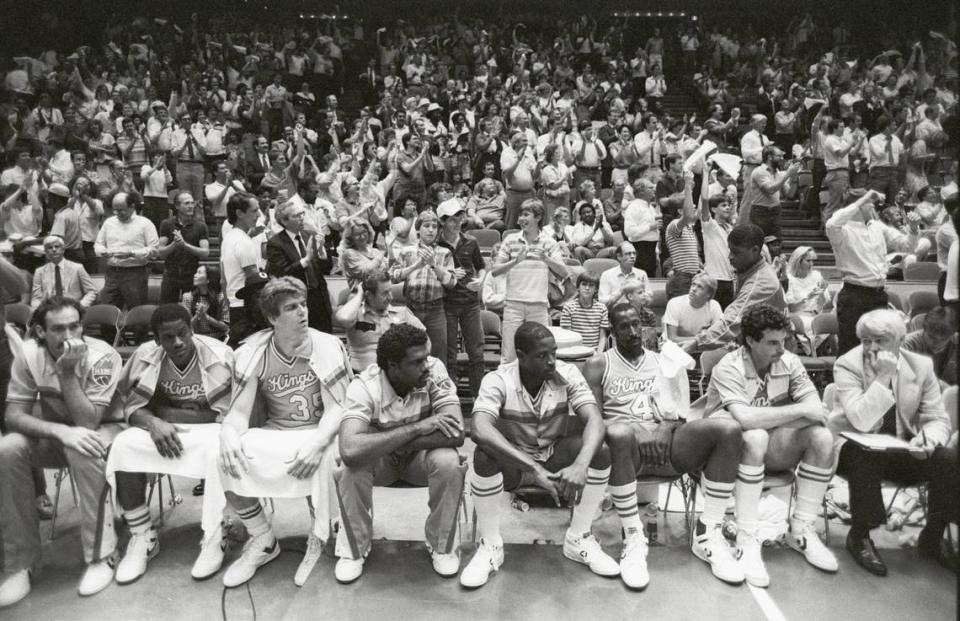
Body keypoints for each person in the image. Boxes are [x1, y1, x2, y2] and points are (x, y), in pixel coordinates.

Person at [582, 303, 745, 588]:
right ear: (612, 330)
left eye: (636, 324)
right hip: (625, 450)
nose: (633, 332)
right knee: (620, 433)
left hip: (666, 441)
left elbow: (681, 411)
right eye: (624, 326)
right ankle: (634, 536)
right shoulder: (598, 364)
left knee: (728, 429)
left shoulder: (663, 361)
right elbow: (592, 420)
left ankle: (708, 532)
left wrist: (665, 428)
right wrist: (636, 430)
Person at [217, 277, 353, 588]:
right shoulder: (252, 352)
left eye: (303, 304)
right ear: (272, 318)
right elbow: (238, 413)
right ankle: (262, 538)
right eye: (291, 308)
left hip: (320, 431)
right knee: (224, 455)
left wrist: (317, 442)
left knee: (326, 457)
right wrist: (227, 434)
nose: (303, 312)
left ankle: (319, 537)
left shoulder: (326, 344)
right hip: (276, 431)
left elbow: (337, 409)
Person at [461, 322, 618, 588]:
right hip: (516, 463)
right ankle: (491, 546)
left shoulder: (567, 373)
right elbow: (479, 428)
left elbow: (595, 420)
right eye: (542, 355)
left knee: (599, 452)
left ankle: (578, 537)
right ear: (520, 356)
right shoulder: (498, 380)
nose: (551, 361)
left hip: (553, 457)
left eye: (553, 353)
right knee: (484, 454)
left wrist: (580, 465)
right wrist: (533, 469)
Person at [0, 297, 123, 605]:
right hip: (60, 434)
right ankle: (22, 563)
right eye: (58, 329)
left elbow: (87, 421)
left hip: (106, 432)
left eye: (74, 326)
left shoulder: (103, 355)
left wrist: (66, 373)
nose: (69, 336)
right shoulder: (28, 354)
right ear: (41, 332)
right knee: (8, 448)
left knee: (85, 448)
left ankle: (102, 555)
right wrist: (60, 431)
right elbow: (13, 416)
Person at [704, 304, 838, 587]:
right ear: (750, 340)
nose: (781, 349)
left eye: (784, 340)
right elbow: (744, 418)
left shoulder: (790, 361)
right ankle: (746, 536)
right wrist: (795, 413)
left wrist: (790, 415)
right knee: (755, 435)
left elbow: (817, 410)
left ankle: (801, 529)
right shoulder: (728, 366)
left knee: (822, 436)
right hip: (722, 456)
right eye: (772, 342)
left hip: (770, 443)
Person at [106, 305, 234, 584]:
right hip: (164, 426)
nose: (177, 342)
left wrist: (164, 415)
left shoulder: (219, 355)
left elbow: (233, 413)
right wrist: (153, 423)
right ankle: (143, 535)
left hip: (214, 427)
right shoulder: (144, 355)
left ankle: (216, 531)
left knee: (218, 450)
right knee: (124, 444)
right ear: (156, 340)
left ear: (192, 330)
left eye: (183, 333)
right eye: (168, 337)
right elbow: (130, 407)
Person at [334, 323, 466, 583]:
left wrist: (387, 440)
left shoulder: (434, 371)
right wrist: (417, 428)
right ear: (393, 366)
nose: (426, 366)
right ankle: (353, 550)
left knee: (449, 460)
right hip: (383, 466)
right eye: (417, 362)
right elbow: (349, 449)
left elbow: (456, 432)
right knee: (349, 468)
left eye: (426, 357)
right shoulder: (365, 386)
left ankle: (442, 546)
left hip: (418, 462)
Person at [831, 308, 956, 575]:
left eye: (880, 340)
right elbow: (861, 421)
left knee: (949, 459)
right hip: (852, 448)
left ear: (900, 340)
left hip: (900, 447)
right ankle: (860, 535)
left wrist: (929, 440)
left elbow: (938, 418)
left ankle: (933, 536)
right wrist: (883, 377)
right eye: (866, 340)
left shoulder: (920, 366)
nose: (871, 347)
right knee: (864, 452)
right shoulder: (847, 364)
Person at [826, 189, 921, 354]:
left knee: (879, 347)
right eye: (870, 204)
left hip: (878, 294)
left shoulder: (877, 226)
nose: (874, 208)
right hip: (854, 294)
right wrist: (864, 198)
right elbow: (832, 223)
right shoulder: (841, 230)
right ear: (860, 206)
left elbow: (907, 245)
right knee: (850, 346)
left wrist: (913, 229)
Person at [683, 225, 786, 354]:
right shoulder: (748, 270)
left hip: (772, 353)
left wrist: (695, 343)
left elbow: (733, 320)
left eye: (736, 252)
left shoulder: (760, 283)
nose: (730, 257)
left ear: (755, 250)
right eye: (730, 251)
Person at [492, 199, 568, 363]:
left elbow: (564, 272)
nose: (520, 219)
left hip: (539, 306)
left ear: (538, 217)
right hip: (513, 305)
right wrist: (515, 261)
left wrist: (546, 258)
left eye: (526, 214)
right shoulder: (510, 240)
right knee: (509, 357)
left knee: (540, 354)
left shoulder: (549, 242)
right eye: (520, 215)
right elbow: (495, 271)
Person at [389, 210, 454, 364]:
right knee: (409, 353)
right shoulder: (407, 252)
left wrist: (434, 265)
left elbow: (451, 283)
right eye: (426, 226)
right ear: (418, 229)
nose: (431, 229)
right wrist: (415, 266)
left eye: (434, 226)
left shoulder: (445, 253)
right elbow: (392, 276)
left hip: (436, 310)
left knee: (438, 355)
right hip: (412, 309)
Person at [437, 199, 486, 396]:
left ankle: (478, 398)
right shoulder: (436, 244)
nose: (457, 223)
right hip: (446, 303)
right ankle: (450, 398)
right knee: (450, 356)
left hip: (470, 303)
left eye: (459, 218)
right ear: (443, 221)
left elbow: (481, 266)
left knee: (477, 353)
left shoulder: (471, 242)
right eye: (452, 219)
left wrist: (481, 280)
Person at [335, 268, 426, 373]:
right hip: (362, 376)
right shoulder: (356, 314)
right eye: (385, 293)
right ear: (368, 295)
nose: (391, 297)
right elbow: (343, 318)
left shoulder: (402, 313)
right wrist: (360, 294)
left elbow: (425, 339)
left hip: (395, 377)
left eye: (390, 291)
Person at [265, 200, 333, 333]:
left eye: (302, 214)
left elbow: (326, 269)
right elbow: (283, 274)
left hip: (319, 298)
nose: (302, 217)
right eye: (297, 216)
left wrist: (323, 255)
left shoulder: (309, 235)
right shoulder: (275, 243)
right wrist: (306, 260)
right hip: (296, 299)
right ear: (285, 221)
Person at [94, 192, 159, 310]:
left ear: (132, 207)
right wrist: (103, 251)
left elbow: (154, 250)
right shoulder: (109, 223)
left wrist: (132, 253)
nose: (117, 213)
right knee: (108, 310)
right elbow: (98, 244)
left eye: (121, 210)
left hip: (135, 273)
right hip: (112, 273)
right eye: (115, 210)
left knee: (137, 312)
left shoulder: (145, 223)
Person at [221, 193, 264, 347]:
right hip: (248, 308)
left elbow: (223, 280)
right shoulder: (243, 242)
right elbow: (255, 282)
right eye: (254, 211)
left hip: (235, 307)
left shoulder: (229, 237)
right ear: (239, 213)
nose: (258, 215)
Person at [156, 192, 210, 304]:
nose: (191, 206)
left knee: (193, 309)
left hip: (192, 275)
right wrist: (174, 244)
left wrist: (185, 245)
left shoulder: (201, 226)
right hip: (171, 274)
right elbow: (161, 253)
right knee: (167, 309)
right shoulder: (167, 224)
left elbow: (205, 252)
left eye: (192, 203)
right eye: (186, 203)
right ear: (177, 206)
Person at [743, 146, 801, 240]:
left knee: (776, 243)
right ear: (770, 156)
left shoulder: (778, 173)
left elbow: (789, 194)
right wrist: (787, 174)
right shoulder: (759, 171)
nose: (782, 159)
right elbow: (770, 190)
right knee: (759, 242)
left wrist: (794, 178)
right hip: (760, 211)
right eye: (779, 156)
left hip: (775, 210)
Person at [784, 246, 833, 354]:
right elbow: (791, 307)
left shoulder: (816, 275)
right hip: (797, 316)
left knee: (831, 324)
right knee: (813, 325)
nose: (811, 264)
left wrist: (821, 294)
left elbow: (822, 304)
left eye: (813, 261)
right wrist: (808, 297)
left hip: (815, 314)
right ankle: (813, 355)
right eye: (808, 261)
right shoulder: (789, 279)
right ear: (798, 261)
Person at [30, 235, 98, 308]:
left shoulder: (77, 268)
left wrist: (81, 305)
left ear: (63, 249)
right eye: (50, 248)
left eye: (57, 246)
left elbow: (92, 291)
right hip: (49, 310)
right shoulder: (39, 272)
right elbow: (36, 298)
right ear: (46, 252)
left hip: (73, 308)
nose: (54, 249)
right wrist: (39, 309)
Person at [901, 306, 957, 388]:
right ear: (924, 329)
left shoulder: (956, 342)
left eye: (943, 339)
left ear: (951, 335)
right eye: (931, 337)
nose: (937, 343)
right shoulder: (907, 345)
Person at [662, 272, 723, 345]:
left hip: (702, 348)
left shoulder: (714, 306)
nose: (693, 289)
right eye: (693, 284)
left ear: (708, 294)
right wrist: (700, 339)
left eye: (700, 287)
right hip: (678, 348)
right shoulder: (674, 303)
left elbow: (719, 336)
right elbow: (672, 338)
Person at [560, 271, 608, 352]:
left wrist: (598, 354)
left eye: (591, 285)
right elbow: (567, 337)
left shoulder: (602, 308)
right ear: (578, 287)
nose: (587, 288)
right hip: (574, 352)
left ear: (596, 289)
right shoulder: (568, 307)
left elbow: (602, 337)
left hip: (594, 352)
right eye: (584, 284)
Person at [623, 177, 660, 278]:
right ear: (641, 192)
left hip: (651, 250)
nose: (654, 189)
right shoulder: (633, 207)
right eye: (650, 188)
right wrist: (650, 227)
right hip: (640, 251)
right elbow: (629, 231)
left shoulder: (650, 207)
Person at [181, 265, 229, 340]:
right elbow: (186, 326)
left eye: (199, 273)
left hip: (218, 338)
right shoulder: (187, 297)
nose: (195, 275)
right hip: (197, 338)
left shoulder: (221, 297)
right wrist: (197, 315)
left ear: (208, 279)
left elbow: (226, 326)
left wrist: (206, 317)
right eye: (196, 272)